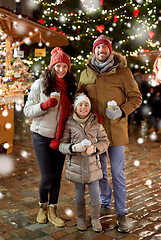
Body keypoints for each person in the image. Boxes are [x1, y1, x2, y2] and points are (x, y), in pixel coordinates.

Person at [78, 35, 142, 233]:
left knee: (118, 172)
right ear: (93, 51)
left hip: (115, 131)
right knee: (101, 172)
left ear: (110, 50)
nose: (101, 51)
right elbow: (79, 96)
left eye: (104, 48)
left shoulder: (123, 72)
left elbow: (136, 97)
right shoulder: (86, 73)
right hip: (96, 132)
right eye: (98, 48)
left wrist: (121, 110)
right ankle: (105, 202)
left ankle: (121, 212)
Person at [23, 47, 77, 227]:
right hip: (41, 136)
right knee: (46, 176)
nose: (61, 70)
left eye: (64, 66)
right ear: (52, 67)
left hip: (60, 138)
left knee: (56, 176)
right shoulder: (40, 84)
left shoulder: (70, 87)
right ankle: (42, 208)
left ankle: (53, 209)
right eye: (58, 66)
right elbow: (27, 110)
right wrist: (45, 105)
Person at [59, 94, 110, 232]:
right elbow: (62, 144)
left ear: (90, 107)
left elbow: (105, 141)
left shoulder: (96, 124)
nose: (83, 107)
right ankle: (81, 218)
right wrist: (72, 148)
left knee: (95, 194)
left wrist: (95, 148)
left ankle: (95, 219)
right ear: (76, 107)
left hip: (93, 165)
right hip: (76, 165)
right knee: (79, 194)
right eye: (80, 105)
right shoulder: (69, 124)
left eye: (86, 105)